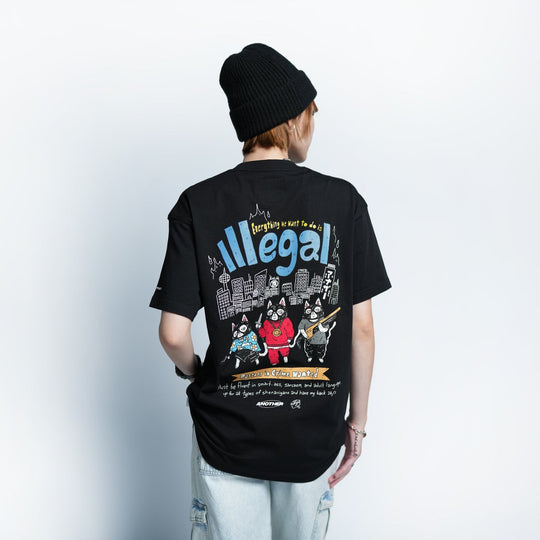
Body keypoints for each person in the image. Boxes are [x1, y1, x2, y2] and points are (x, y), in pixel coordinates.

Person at [149, 42, 392, 540]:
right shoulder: (343, 201)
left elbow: (173, 333)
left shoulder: (198, 203)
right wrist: (357, 425)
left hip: (225, 435)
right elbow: (362, 328)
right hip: (313, 437)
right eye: (311, 113)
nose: (313, 125)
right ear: (292, 118)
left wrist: (194, 372)